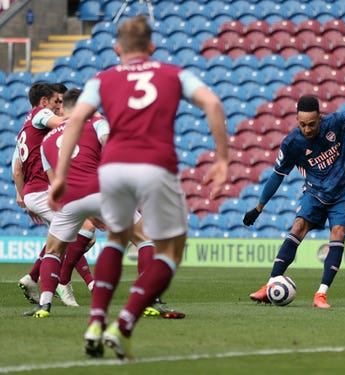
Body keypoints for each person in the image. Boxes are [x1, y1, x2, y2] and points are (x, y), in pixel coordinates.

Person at [48, 15, 228, 360]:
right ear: (152, 47)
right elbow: (213, 104)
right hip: (156, 166)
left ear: (117, 48)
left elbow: (76, 121)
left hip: (113, 169)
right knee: (170, 251)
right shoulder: (174, 73)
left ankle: (96, 322)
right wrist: (221, 159)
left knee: (116, 238)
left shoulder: (103, 79)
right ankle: (125, 323)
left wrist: (60, 175)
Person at [243, 73, 345, 309]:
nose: (307, 129)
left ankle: (321, 295)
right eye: (302, 124)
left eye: (312, 124)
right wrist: (258, 207)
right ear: (297, 120)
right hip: (314, 194)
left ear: (320, 117)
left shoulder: (336, 122)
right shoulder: (291, 143)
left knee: (339, 232)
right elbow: (277, 176)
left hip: (340, 194)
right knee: (297, 227)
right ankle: (270, 284)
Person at [13, 82, 95, 307]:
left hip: (34, 191)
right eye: (57, 102)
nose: (60, 106)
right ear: (43, 102)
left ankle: (33, 277)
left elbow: (17, 168)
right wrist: (86, 114)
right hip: (41, 190)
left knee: (64, 236)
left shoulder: (26, 129)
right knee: (85, 229)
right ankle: (62, 281)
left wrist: (23, 196)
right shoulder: (41, 114)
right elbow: (62, 123)